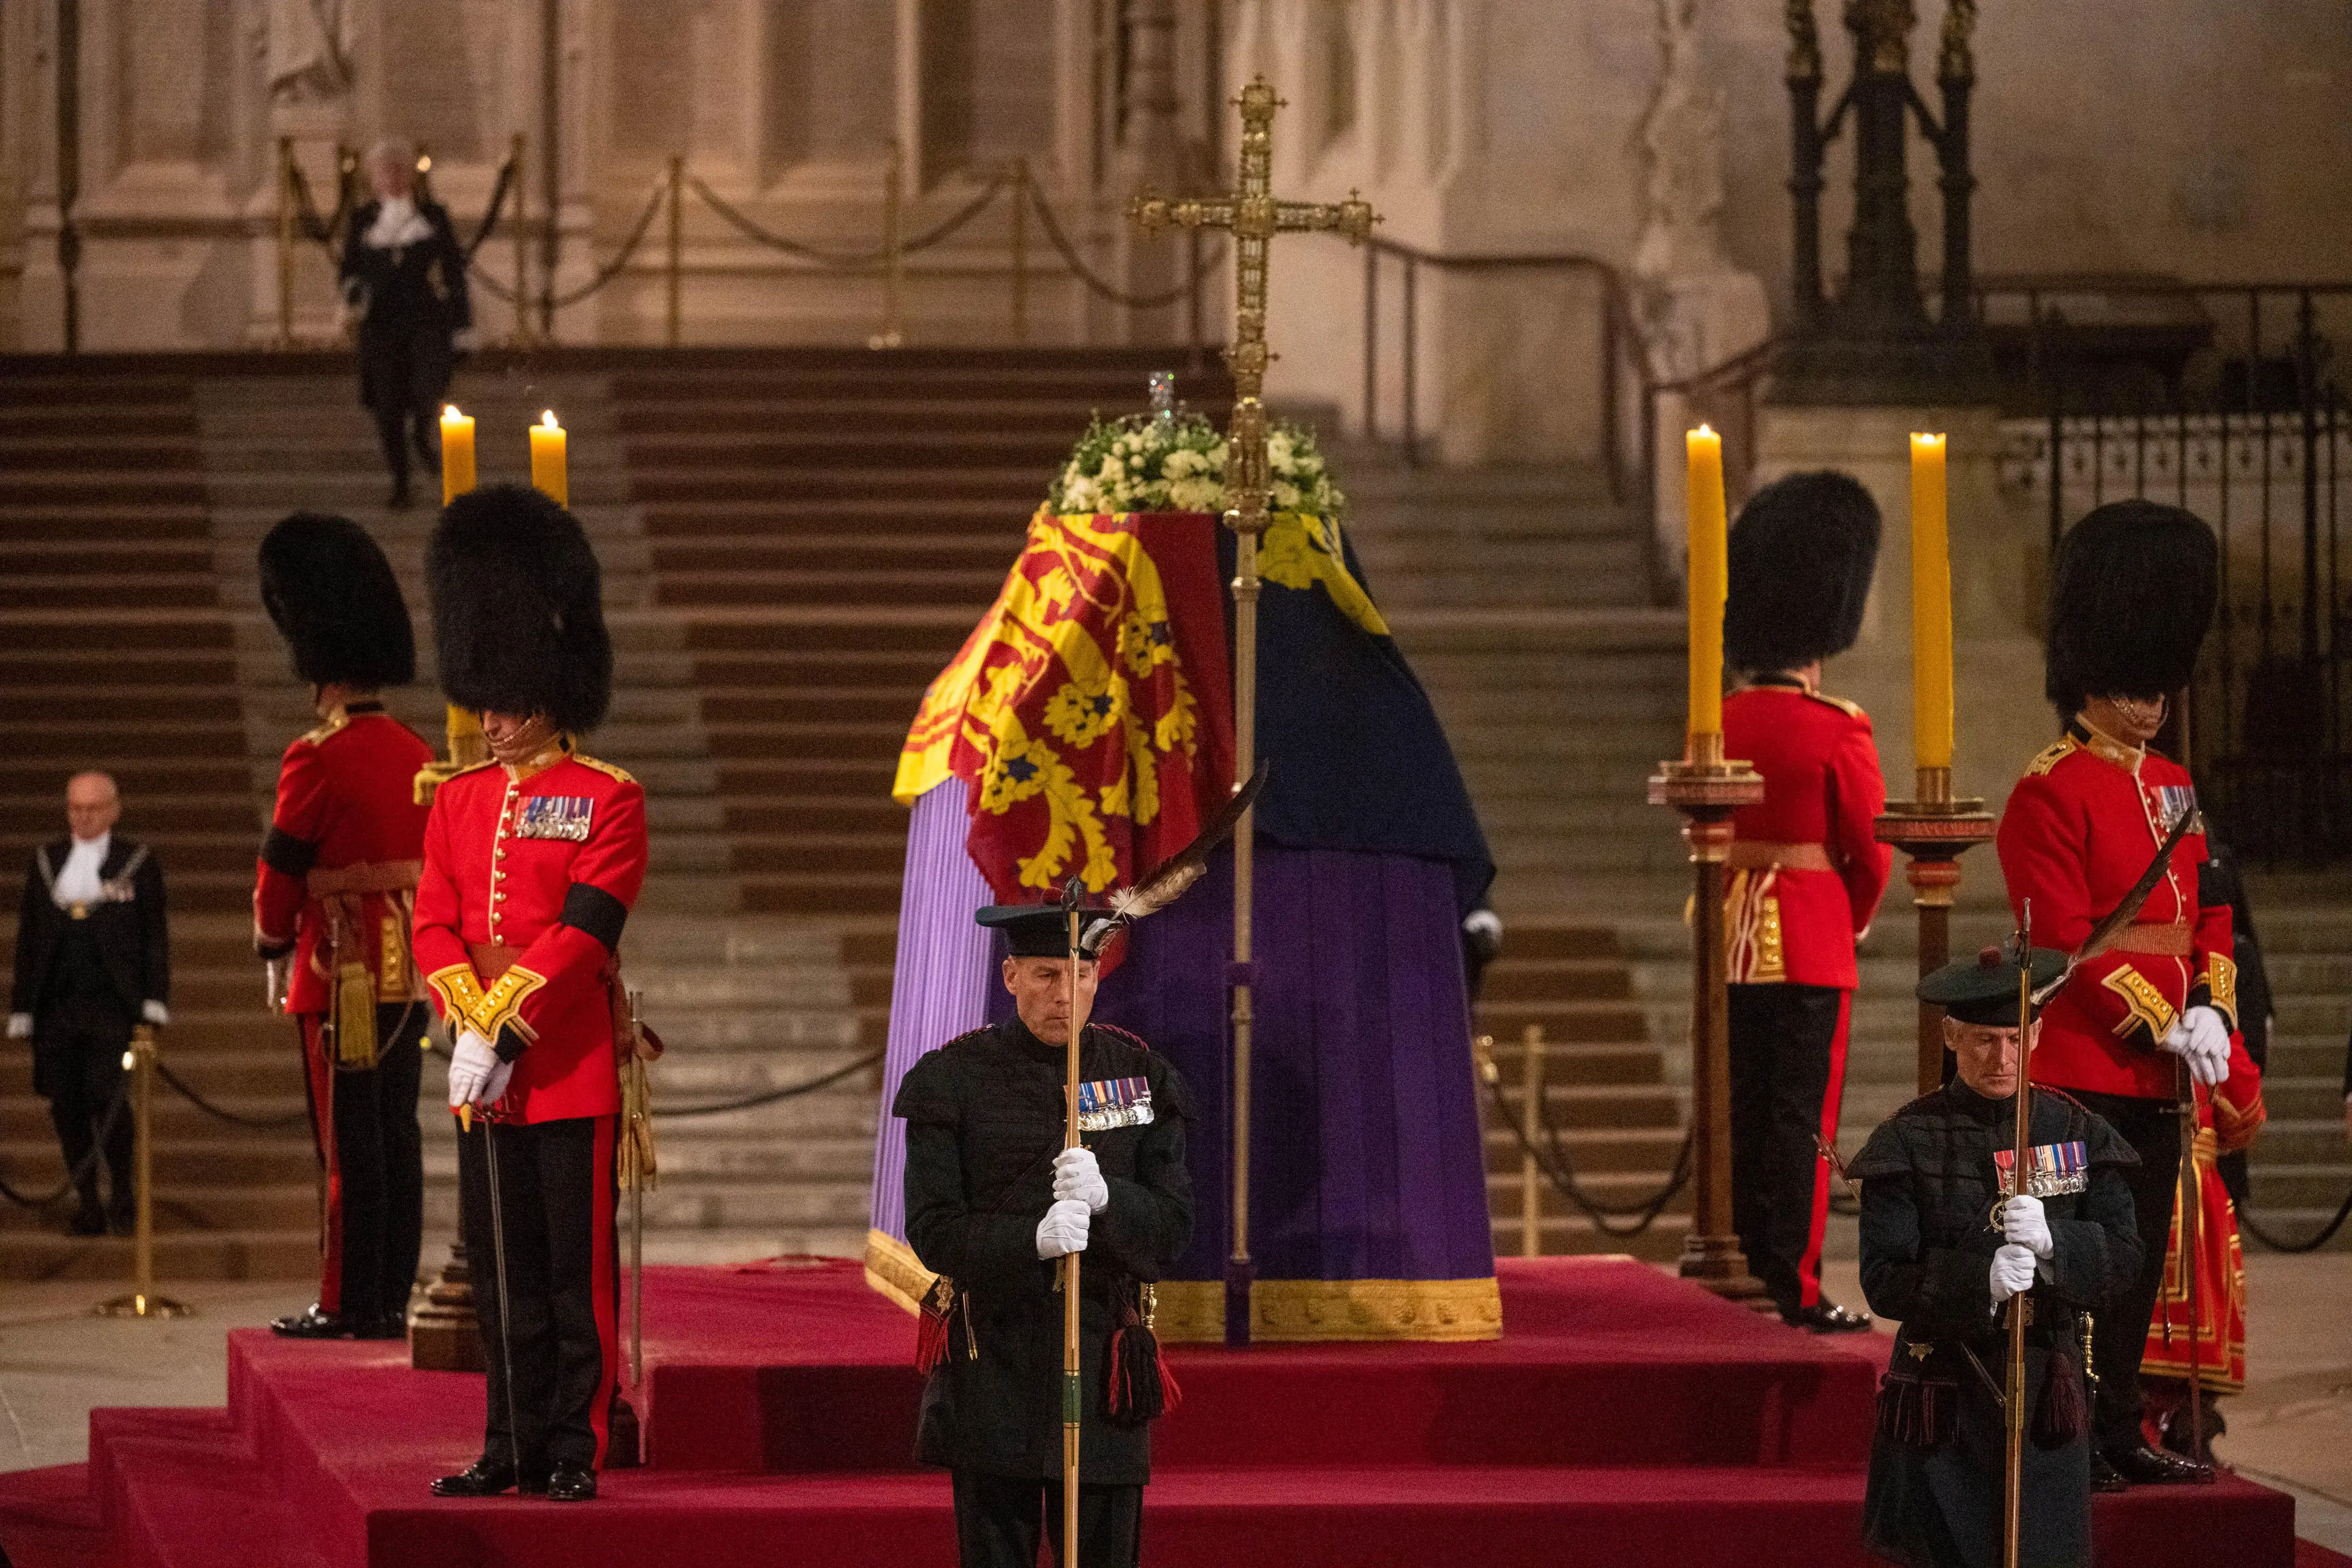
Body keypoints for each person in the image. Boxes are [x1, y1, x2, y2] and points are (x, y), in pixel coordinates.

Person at [414, 485, 647, 1504]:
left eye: (510, 704)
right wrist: (470, 1023)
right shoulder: (458, 799)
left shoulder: (609, 796)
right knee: (504, 1277)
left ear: (552, 695)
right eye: (489, 703)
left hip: (569, 1067)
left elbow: (586, 931)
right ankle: (506, 1438)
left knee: (571, 1280)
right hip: (488, 1074)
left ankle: (572, 1444)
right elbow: (433, 920)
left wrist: (503, 1022)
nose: (494, 721)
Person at [1996, 498, 2230, 1488]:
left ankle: (2125, 1422)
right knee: (2079, 1268)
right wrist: (2162, 1018)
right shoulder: (2048, 788)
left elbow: (2208, 908)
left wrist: (2213, 1005)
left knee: (2137, 1271)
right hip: (2087, 1068)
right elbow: (2063, 943)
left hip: (2164, 1072)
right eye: (2138, 680)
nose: (2155, 699)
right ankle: (2069, 1432)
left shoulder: (2173, 786)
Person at [894, 902, 1194, 1568]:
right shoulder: (955, 1079)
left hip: (1104, 1366)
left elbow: (1173, 1230)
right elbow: (934, 1229)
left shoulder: (1141, 1077)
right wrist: (1031, 1238)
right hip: (993, 1360)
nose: (1064, 994)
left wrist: (1111, 1199)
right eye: (1044, 974)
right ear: (1009, 976)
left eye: (1080, 973)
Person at [1855, 943, 2143, 1568]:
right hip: (1943, 1395)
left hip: (2045, 1388)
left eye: (2016, 1038)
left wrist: (2055, 1247)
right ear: (1952, 1035)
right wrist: (1976, 1281)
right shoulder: (1906, 1138)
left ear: (2037, 1033)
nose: (2002, 1057)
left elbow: (2125, 1258)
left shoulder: (2077, 1131)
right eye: (1985, 1040)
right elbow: (1883, 1279)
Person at [251, 513, 435, 1340]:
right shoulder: (417, 750)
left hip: (340, 971)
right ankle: (390, 1292)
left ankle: (345, 1297)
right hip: (412, 969)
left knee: (345, 1146)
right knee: (395, 1135)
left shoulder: (315, 756)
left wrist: (270, 938)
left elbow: (281, 870)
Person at [1719, 470, 1891, 1332]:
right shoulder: (1836, 725)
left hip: (1731, 933)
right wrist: (1849, 914)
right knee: (1803, 1117)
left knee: (1745, 1108)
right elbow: (1871, 849)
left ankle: (1744, 1262)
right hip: (1814, 932)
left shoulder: (1720, 720)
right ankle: (1794, 1280)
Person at [8, 773, 168, 1235]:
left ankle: (123, 1195)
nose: (84, 816)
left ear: (114, 810)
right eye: (76, 808)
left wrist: (154, 1000)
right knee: (66, 1107)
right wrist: (23, 1006)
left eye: (94, 808)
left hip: (111, 1007)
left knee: (110, 1102)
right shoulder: (47, 861)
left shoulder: (136, 863)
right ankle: (87, 1201)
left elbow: (153, 937)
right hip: (56, 1009)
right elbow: (30, 938)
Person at [340, 136, 470, 510]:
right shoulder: (363, 220)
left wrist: (463, 325)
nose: (394, 177)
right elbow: (349, 269)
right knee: (386, 404)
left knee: (427, 386)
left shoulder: (433, 217)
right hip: (380, 325)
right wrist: (353, 296)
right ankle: (400, 479)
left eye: (400, 170)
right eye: (386, 171)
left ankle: (422, 435)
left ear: (411, 176)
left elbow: (454, 272)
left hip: (425, 319)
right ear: (374, 179)